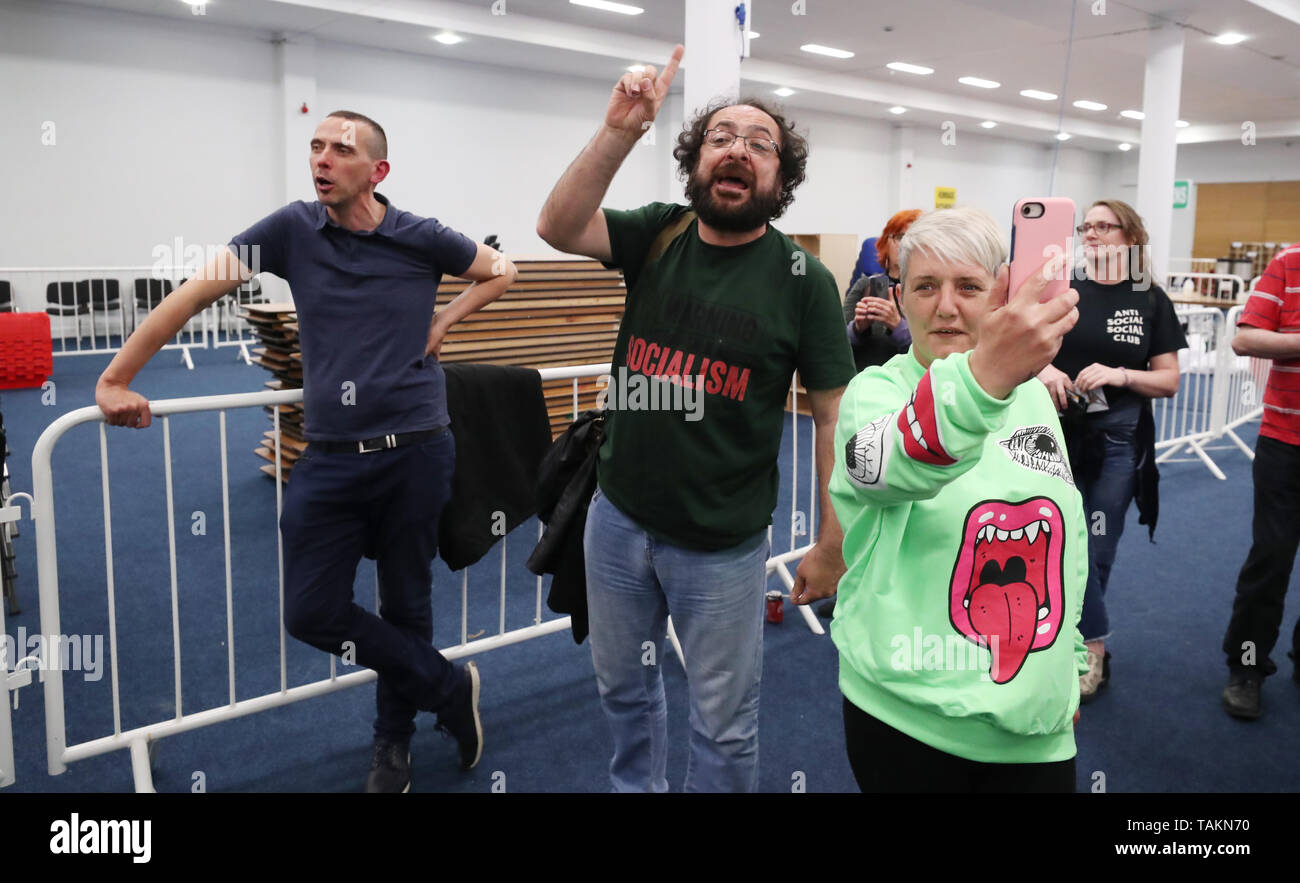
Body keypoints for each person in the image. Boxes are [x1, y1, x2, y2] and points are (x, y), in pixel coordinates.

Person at [95, 110, 517, 792]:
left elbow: (504, 269)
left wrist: (443, 319)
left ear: (377, 171)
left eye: (341, 150)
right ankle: (448, 685)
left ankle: (393, 741)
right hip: (329, 456)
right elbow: (192, 294)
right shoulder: (290, 231)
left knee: (406, 604)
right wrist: (116, 377)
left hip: (416, 449)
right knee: (311, 611)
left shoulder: (422, 236)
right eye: (315, 146)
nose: (321, 159)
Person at [536, 46, 856, 792]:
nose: (737, 150)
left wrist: (832, 540)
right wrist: (619, 130)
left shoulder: (804, 283)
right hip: (615, 520)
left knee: (724, 722)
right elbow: (557, 225)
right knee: (623, 693)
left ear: (781, 178)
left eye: (759, 143)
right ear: (695, 162)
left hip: (721, 545)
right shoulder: (661, 232)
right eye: (719, 138)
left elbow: (831, 413)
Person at [830, 206, 1088, 792]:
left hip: (1035, 730)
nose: (946, 307)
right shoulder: (875, 392)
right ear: (901, 297)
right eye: (925, 287)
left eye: (968, 286)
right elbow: (887, 469)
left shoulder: (1033, 397)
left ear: (999, 292)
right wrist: (984, 379)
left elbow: (1061, 539)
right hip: (906, 717)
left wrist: (1065, 666)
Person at [1036, 199, 1185, 702]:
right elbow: (1024, 348)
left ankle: (1087, 649)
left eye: (1105, 226)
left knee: (1096, 546)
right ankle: (1076, 645)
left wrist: (1121, 374)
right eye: (1087, 227)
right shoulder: (1064, 290)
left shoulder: (1150, 299)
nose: (1092, 234)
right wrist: (1043, 369)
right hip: (1052, 433)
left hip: (1118, 436)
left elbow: (1169, 381)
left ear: (1130, 237)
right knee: (1058, 541)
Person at [1220, 244, 1300, 719]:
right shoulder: (1289, 263)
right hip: (1285, 445)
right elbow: (1245, 340)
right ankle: (1246, 668)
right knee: (1270, 562)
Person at [843, 209, 921, 373]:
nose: (906, 244)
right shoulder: (865, 284)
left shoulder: (926, 291)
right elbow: (837, 343)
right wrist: (858, 328)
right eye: (900, 237)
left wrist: (898, 327)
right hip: (864, 382)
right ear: (886, 242)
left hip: (909, 386)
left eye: (914, 238)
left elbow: (932, 352)